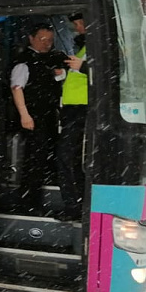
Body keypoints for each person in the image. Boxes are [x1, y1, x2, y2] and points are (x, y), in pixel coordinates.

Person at [10, 23, 69, 216]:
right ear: (31, 38)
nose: (47, 44)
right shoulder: (24, 61)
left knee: (46, 158)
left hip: (49, 116)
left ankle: (38, 200)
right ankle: (28, 202)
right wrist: (24, 115)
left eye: (50, 40)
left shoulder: (50, 60)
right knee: (33, 161)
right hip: (33, 117)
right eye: (42, 40)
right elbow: (17, 88)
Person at [57, 13, 89, 221]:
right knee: (71, 160)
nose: (77, 28)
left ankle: (74, 207)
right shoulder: (84, 46)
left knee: (67, 159)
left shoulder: (96, 46)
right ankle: (76, 206)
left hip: (82, 110)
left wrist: (82, 67)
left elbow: (112, 73)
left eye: (79, 23)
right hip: (72, 110)